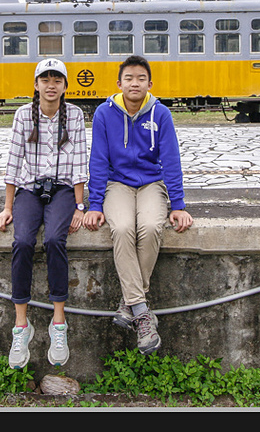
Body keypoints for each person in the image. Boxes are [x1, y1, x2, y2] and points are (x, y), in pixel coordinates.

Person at [83, 55, 193, 354]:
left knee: (149, 226)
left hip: (151, 184)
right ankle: (143, 312)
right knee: (120, 227)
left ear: (150, 84)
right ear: (119, 84)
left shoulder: (161, 114)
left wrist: (178, 204)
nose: (135, 83)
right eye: (129, 78)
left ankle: (129, 303)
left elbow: (171, 160)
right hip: (117, 184)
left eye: (141, 78)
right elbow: (99, 160)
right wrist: (94, 204)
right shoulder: (105, 114)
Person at [0, 58, 88, 369]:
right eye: (45, 79)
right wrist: (8, 207)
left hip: (61, 190)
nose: (51, 85)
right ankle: (21, 325)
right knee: (22, 241)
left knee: (54, 241)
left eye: (57, 80)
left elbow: (78, 162)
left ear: (65, 86)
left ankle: (58, 321)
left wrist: (78, 205)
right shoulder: (23, 115)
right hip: (29, 189)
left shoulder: (74, 114)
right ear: (36, 85)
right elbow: (13, 161)